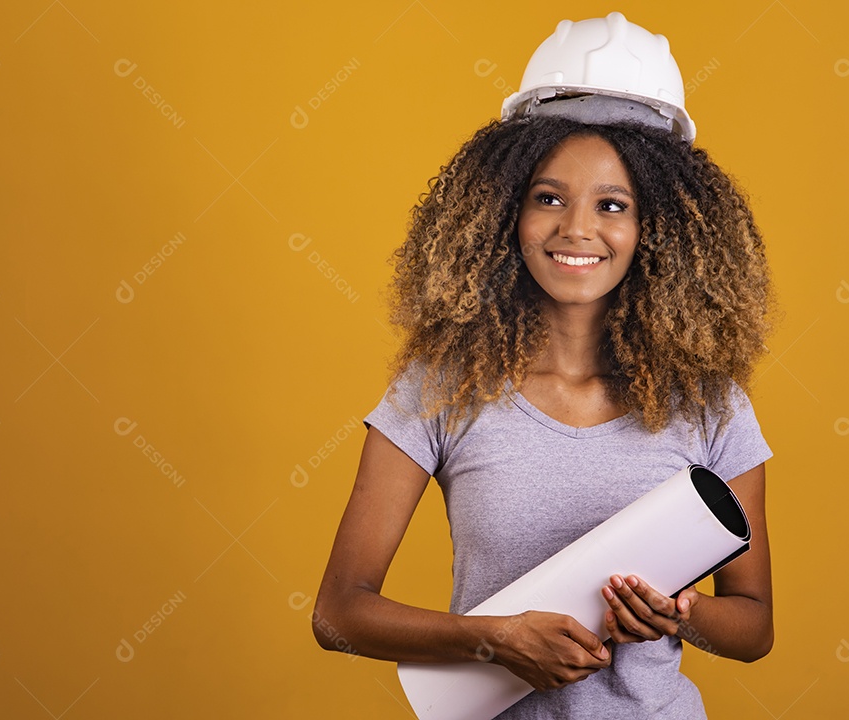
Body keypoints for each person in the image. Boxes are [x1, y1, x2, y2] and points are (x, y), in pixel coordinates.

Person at [314, 12, 775, 719]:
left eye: (613, 205)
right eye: (548, 198)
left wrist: (680, 614)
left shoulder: (711, 405)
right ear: (507, 211)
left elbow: (753, 627)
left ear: (658, 229)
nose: (576, 230)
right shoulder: (443, 388)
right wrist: (492, 641)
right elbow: (339, 613)